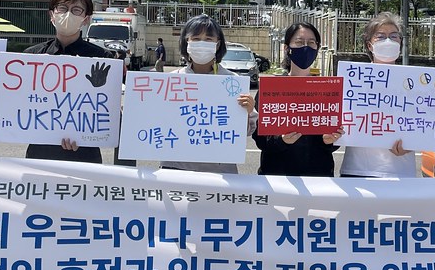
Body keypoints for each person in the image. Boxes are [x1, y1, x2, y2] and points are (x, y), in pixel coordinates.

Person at [25, 0, 111, 164]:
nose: (68, 14)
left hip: (85, 155)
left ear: (86, 19)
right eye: (62, 8)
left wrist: (99, 88)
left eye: (76, 10)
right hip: (40, 154)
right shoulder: (32, 56)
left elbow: (108, 111)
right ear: (52, 15)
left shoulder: (102, 59)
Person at [161, 15, 256, 175]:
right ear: (186, 42)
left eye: (208, 39)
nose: (202, 43)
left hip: (220, 173)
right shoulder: (170, 81)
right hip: (176, 170)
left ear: (218, 44)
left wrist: (247, 111)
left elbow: (244, 132)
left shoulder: (233, 82)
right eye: (196, 38)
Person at [254, 22, 342, 176]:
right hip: (277, 176)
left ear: (317, 48)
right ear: (286, 48)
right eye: (299, 42)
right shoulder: (271, 89)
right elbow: (260, 138)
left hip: (318, 177)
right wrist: (281, 140)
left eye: (311, 42)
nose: (306, 47)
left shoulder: (328, 90)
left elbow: (333, 137)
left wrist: (331, 141)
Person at [340, 12, 416, 179]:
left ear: (400, 42)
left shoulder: (414, 83)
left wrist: (414, 142)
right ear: (369, 45)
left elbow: (428, 125)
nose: (388, 41)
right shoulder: (353, 80)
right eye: (380, 37)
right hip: (358, 170)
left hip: (401, 173)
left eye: (394, 36)